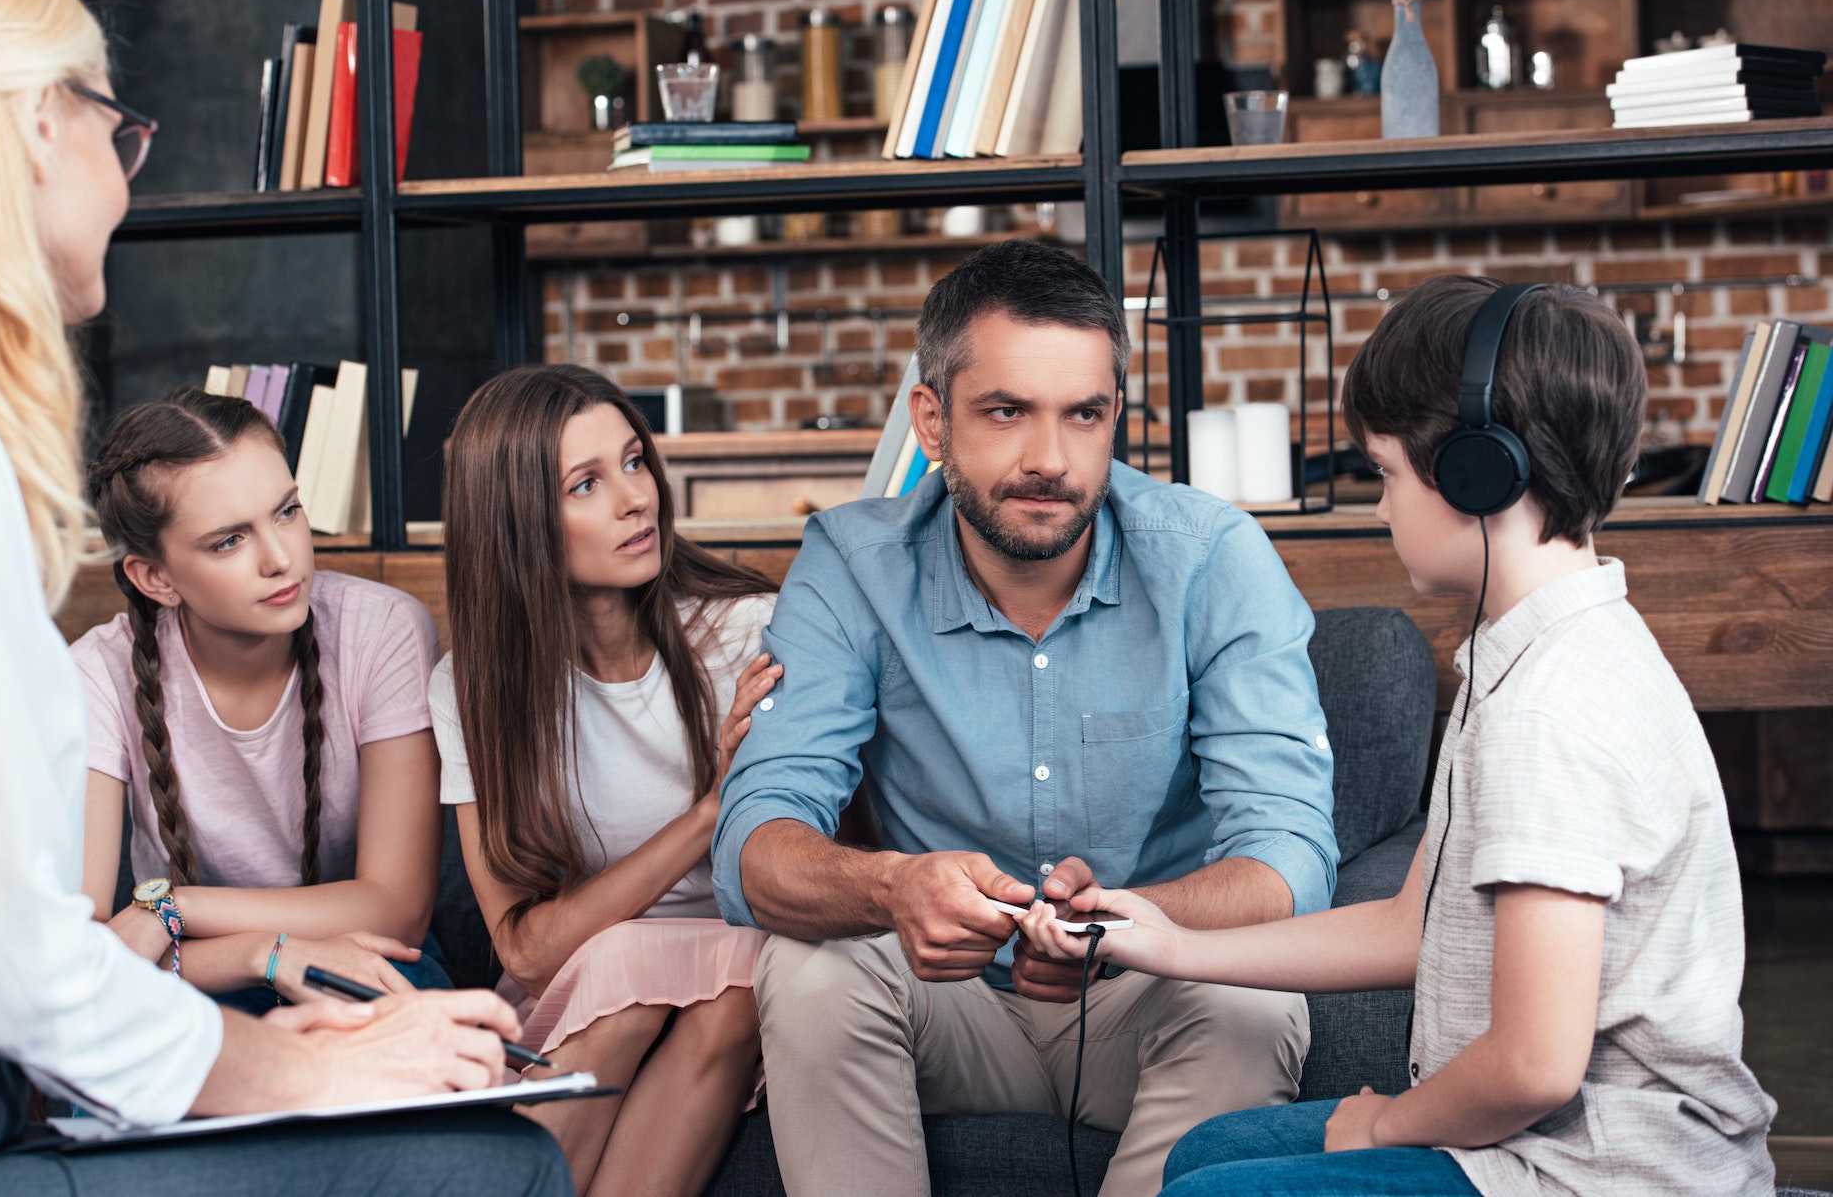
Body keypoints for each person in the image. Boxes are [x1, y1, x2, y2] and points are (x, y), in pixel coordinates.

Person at [0, 0, 567, 1193]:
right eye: (119, 136)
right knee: (476, 1164)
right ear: (33, 130)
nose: (123, 185)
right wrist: (304, 1069)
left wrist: (244, 1010)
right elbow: (13, 959)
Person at [1017, 276, 1777, 1197]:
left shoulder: (1552, 711)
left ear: (1475, 473)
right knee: (1204, 1155)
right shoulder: (1522, 650)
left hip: (1601, 1169)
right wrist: (1168, 939)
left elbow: (1536, 1064)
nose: (1379, 507)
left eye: (1384, 471)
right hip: (1539, 1142)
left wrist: (1383, 1123)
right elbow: (1413, 923)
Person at [713, 239, 1341, 1197]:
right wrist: (892, 888)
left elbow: (1291, 858)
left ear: (1115, 418)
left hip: (1151, 996)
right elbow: (754, 842)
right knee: (809, 973)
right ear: (932, 419)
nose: (1050, 460)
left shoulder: (1212, 557)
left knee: (1250, 1000)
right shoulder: (852, 563)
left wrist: (1126, 926)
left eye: (1083, 415)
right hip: (950, 1007)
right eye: (1007, 412)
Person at [434, 364, 780, 1197]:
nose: (636, 499)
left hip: (742, 966)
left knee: (735, 990)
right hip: (586, 991)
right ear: (516, 522)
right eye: (585, 483)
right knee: (626, 967)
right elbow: (522, 944)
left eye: (633, 462)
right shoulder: (472, 686)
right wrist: (707, 813)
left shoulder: (748, 633)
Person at [76, 388, 454, 1011]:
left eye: (287, 511)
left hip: (353, 959)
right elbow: (92, 953)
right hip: (184, 978)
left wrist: (172, 907)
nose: (282, 558)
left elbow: (397, 910)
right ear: (156, 578)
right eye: (229, 541)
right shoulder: (97, 673)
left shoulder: (382, 629)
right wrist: (263, 954)